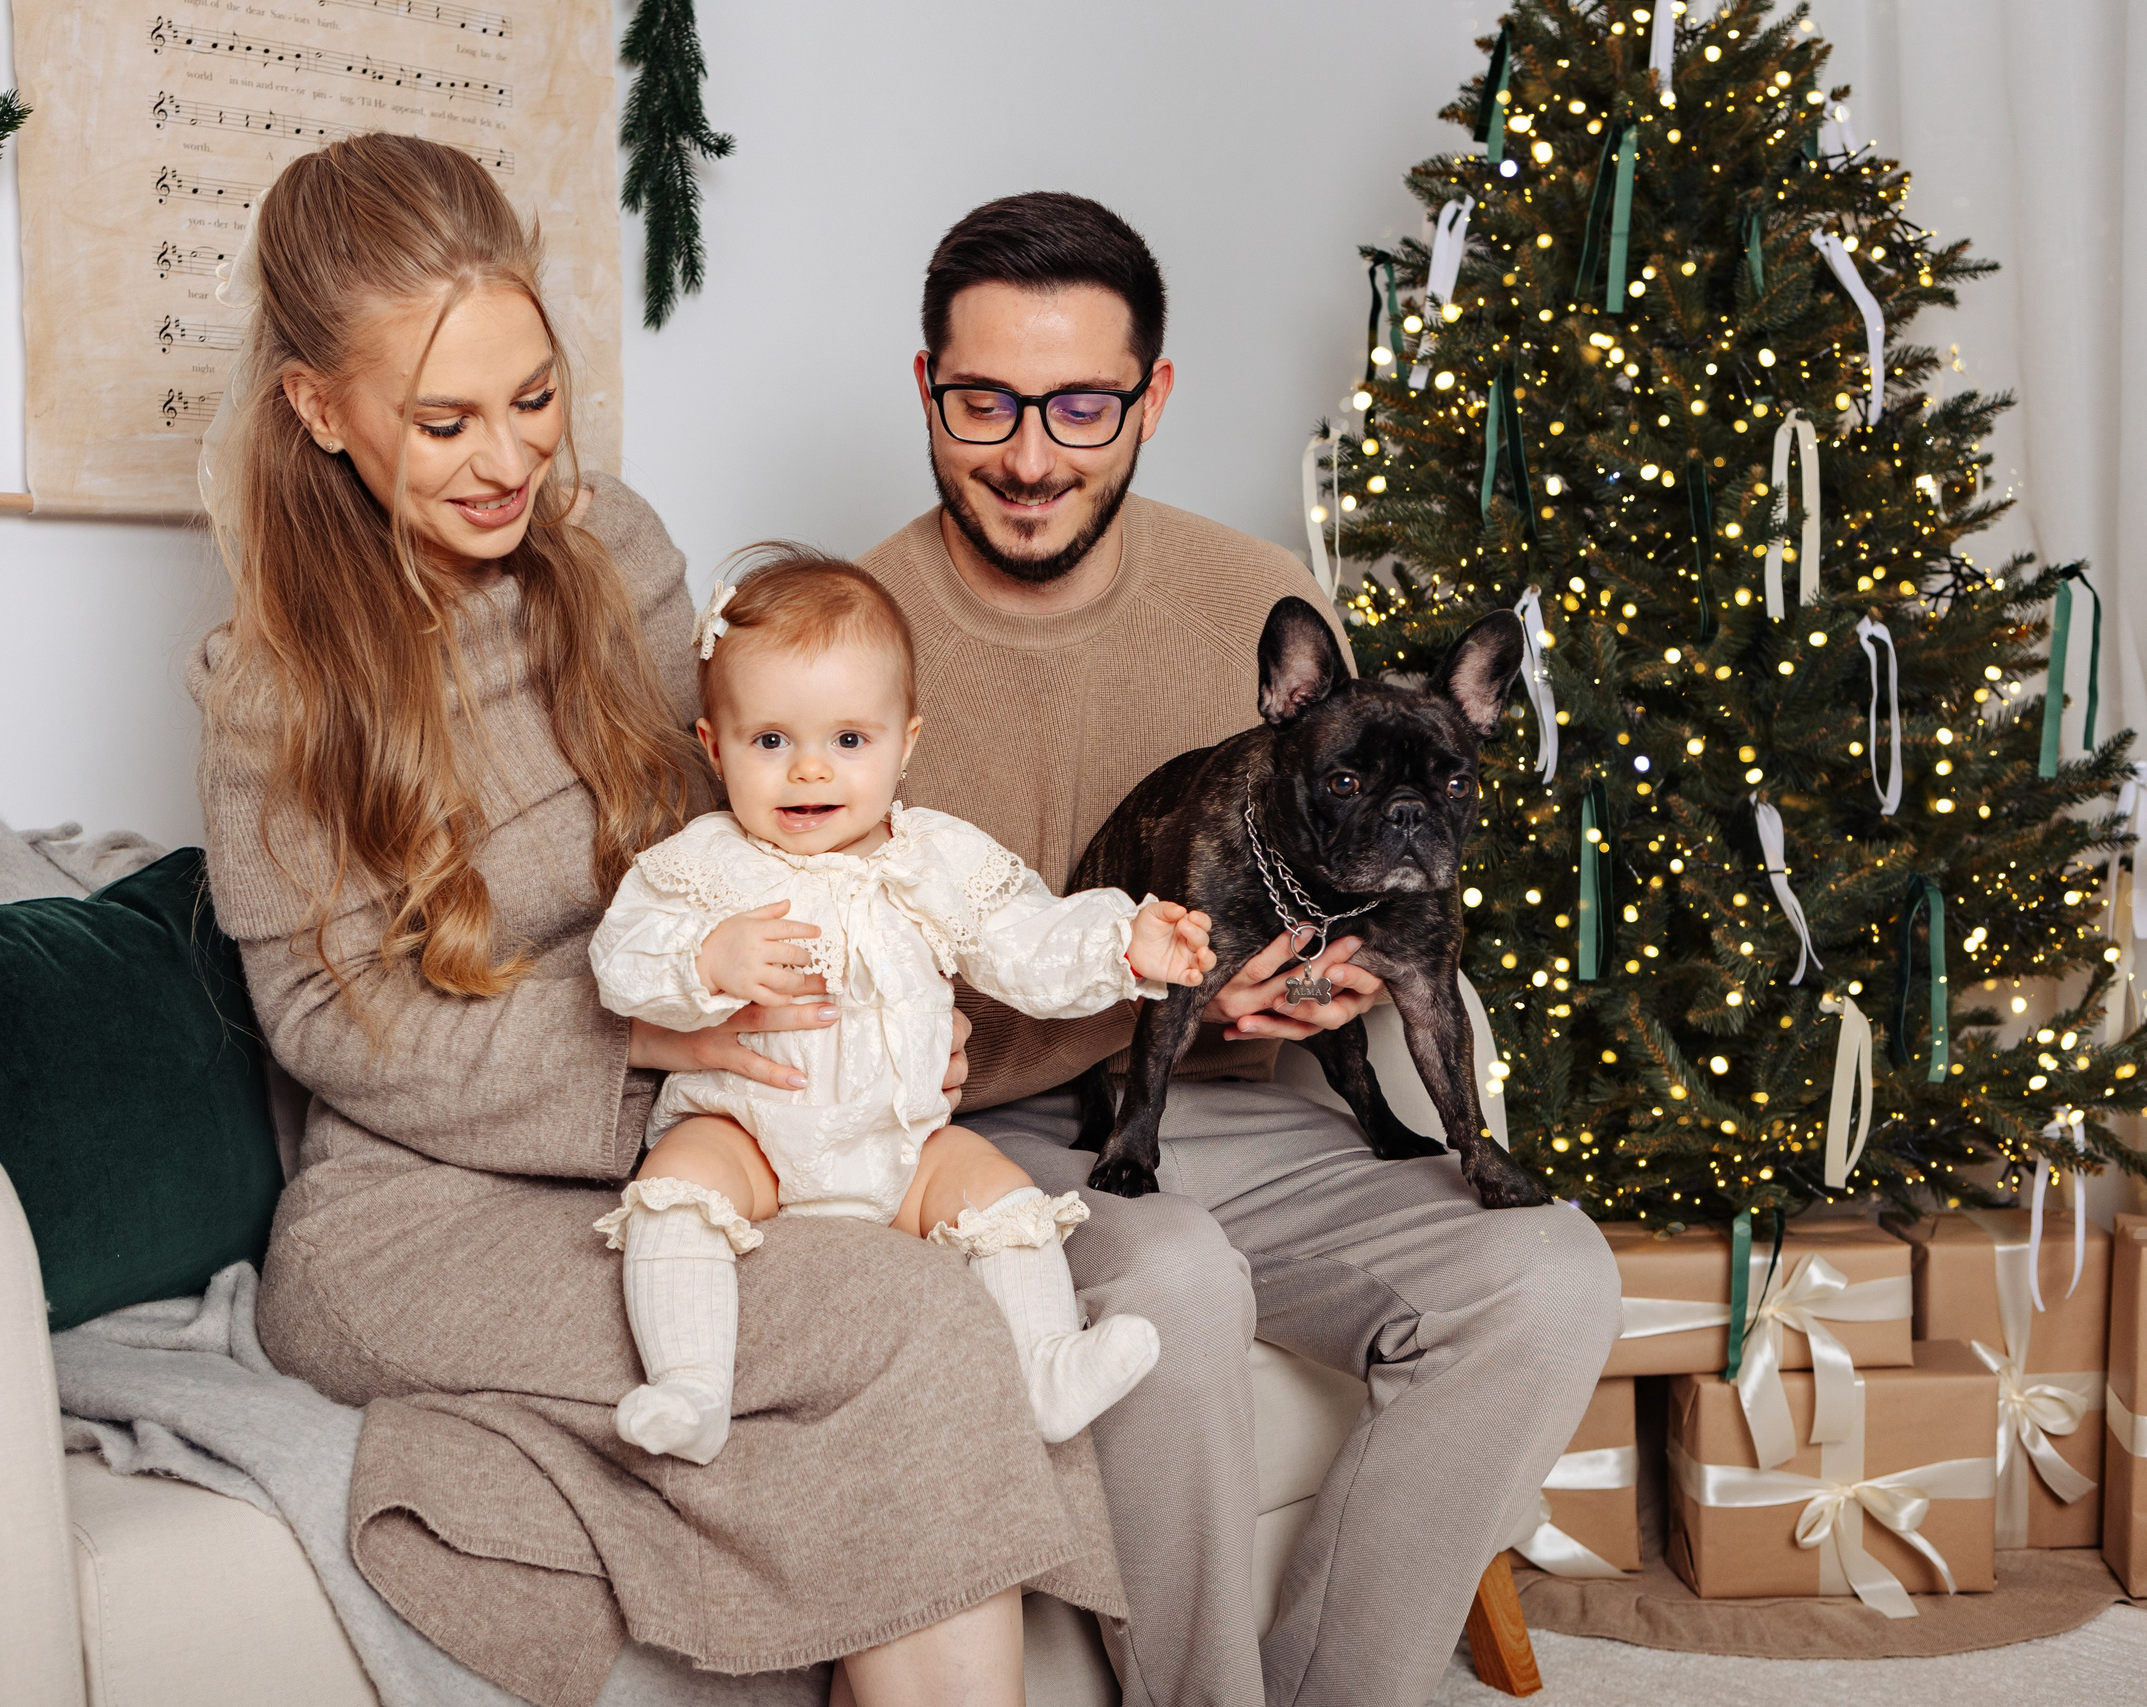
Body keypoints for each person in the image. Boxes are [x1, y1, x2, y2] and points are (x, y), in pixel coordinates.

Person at [192, 136, 1121, 1707]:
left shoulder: (612, 546)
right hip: (422, 1210)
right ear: (320, 409)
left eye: (534, 396)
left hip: (701, 1138)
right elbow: (329, 1025)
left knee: (960, 1290)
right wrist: (651, 1040)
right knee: (909, 1314)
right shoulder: (272, 689)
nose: (508, 459)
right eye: (445, 422)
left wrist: (869, 1008)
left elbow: (747, 829)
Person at [857, 191, 1621, 1707]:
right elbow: (847, 987)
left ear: (1152, 396)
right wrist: (1168, 1000)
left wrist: (1326, 984)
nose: (1029, 454)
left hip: (1260, 1106)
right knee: (1175, 1280)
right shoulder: (851, 632)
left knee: (1549, 1275)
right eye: (984, 401)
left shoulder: (1248, 596)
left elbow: (1346, 869)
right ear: (926, 386)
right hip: (993, 1134)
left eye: (1081, 404)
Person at [590, 551, 1213, 1465]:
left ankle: (1046, 1366)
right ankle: (692, 1385)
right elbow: (618, 961)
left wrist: (1123, 944)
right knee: (679, 1182)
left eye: (849, 740)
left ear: (905, 742)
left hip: (903, 1143)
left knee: (998, 1188)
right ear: (715, 746)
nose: (810, 770)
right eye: (771, 741)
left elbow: (1024, 936)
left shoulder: (935, 857)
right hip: (750, 1134)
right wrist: (705, 957)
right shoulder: (704, 863)